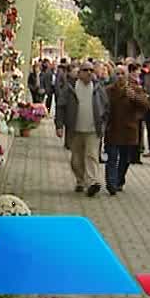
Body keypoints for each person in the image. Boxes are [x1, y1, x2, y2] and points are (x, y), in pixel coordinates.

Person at [55, 62, 109, 197]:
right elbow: (61, 106)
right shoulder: (70, 87)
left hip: (93, 129)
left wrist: (103, 124)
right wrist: (59, 125)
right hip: (75, 129)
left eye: (91, 70)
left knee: (92, 155)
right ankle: (80, 180)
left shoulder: (98, 87)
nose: (89, 72)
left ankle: (92, 182)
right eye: (85, 70)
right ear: (79, 73)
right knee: (76, 159)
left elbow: (106, 106)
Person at [104, 65, 150, 194]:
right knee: (112, 158)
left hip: (128, 129)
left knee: (125, 159)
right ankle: (111, 183)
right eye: (117, 74)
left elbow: (146, 105)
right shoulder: (109, 90)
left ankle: (119, 180)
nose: (120, 76)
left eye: (122, 73)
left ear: (127, 75)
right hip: (113, 129)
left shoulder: (135, 89)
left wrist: (134, 97)